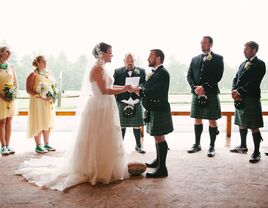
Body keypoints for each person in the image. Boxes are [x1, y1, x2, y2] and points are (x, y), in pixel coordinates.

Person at [16, 42, 132, 191]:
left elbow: (109, 86)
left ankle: (107, 166)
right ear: (102, 54)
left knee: (106, 135)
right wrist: (125, 89)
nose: (112, 55)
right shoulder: (97, 68)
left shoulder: (102, 68)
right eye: (110, 52)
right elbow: (104, 90)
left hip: (106, 106)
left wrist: (126, 88)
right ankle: (96, 169)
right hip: (99, 107)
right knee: (98, 136)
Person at [138, 49, 173, 178]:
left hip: (159, 109)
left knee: (160, 137)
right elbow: (148, 87)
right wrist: (142, 89)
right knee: (156, 136)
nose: (148, 59)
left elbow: (156, 91)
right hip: (154, 108)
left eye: (150, 57)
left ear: (158, 58)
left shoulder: (163, 73)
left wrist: (141, 92)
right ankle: (158, 161)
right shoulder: (156, 72)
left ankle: (162, 169)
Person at [187, 36, 224, 157]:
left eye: (204, 43)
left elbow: (218, 75)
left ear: (211, 44)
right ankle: (197, 144)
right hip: (197, 93)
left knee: (212, 120)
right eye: (201, 43)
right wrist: (195, 88)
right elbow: (189, 75)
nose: (202, 44)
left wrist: (204, 87)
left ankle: (212, 146)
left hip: (210, 92)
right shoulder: (194, 59)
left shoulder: (218, 58)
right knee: (197, 118)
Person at [230, 41, 266, 163]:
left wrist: (239, 92)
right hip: (240, 98)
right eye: (244, 49)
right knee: (241, 123)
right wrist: (233, 90)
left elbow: (254, 82)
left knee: (253, 126)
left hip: (251, 98)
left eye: (246, 49)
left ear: (254, 50)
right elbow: (236, 78)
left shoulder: (260, 64)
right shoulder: (243, 64)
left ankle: (256, 152)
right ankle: (243, 146)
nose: (244, 51)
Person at [113, 53, 146, 154]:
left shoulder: (141, 71)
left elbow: (144, 83)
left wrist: (138, 88)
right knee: (121, 126)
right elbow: (114, 86)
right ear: (124, 61)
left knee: (137, 125)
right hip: (123, 101)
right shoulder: (117, 71)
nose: (130, 63)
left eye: (132, 61)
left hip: (136, 101)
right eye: (128, 61)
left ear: (134, 61)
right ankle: (120, 147)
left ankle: (139, 146)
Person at [26, 56, 56, 153]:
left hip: (47, 101)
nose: (45, 63)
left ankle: (47, 143)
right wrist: (41, 96)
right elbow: (28, 90)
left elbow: (52, 86)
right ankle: (38, 145)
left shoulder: (48, 73)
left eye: (46, 61)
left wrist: (52, 94)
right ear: (37, 62)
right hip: (38, 101)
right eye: (43, 61)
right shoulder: (33, 74)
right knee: (38, 121)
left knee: (47, 121)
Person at [0, 46, 18, 156]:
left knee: (9, 121)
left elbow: (15, 82)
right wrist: (2, 95)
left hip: (10, 98)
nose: (9, 53)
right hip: (0, 98)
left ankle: (8, 145)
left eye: (9, 52)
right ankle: (3, 146)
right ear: (1, 53)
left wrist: (13, 94)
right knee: (2, 122)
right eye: (7, 51)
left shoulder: (11, 67)